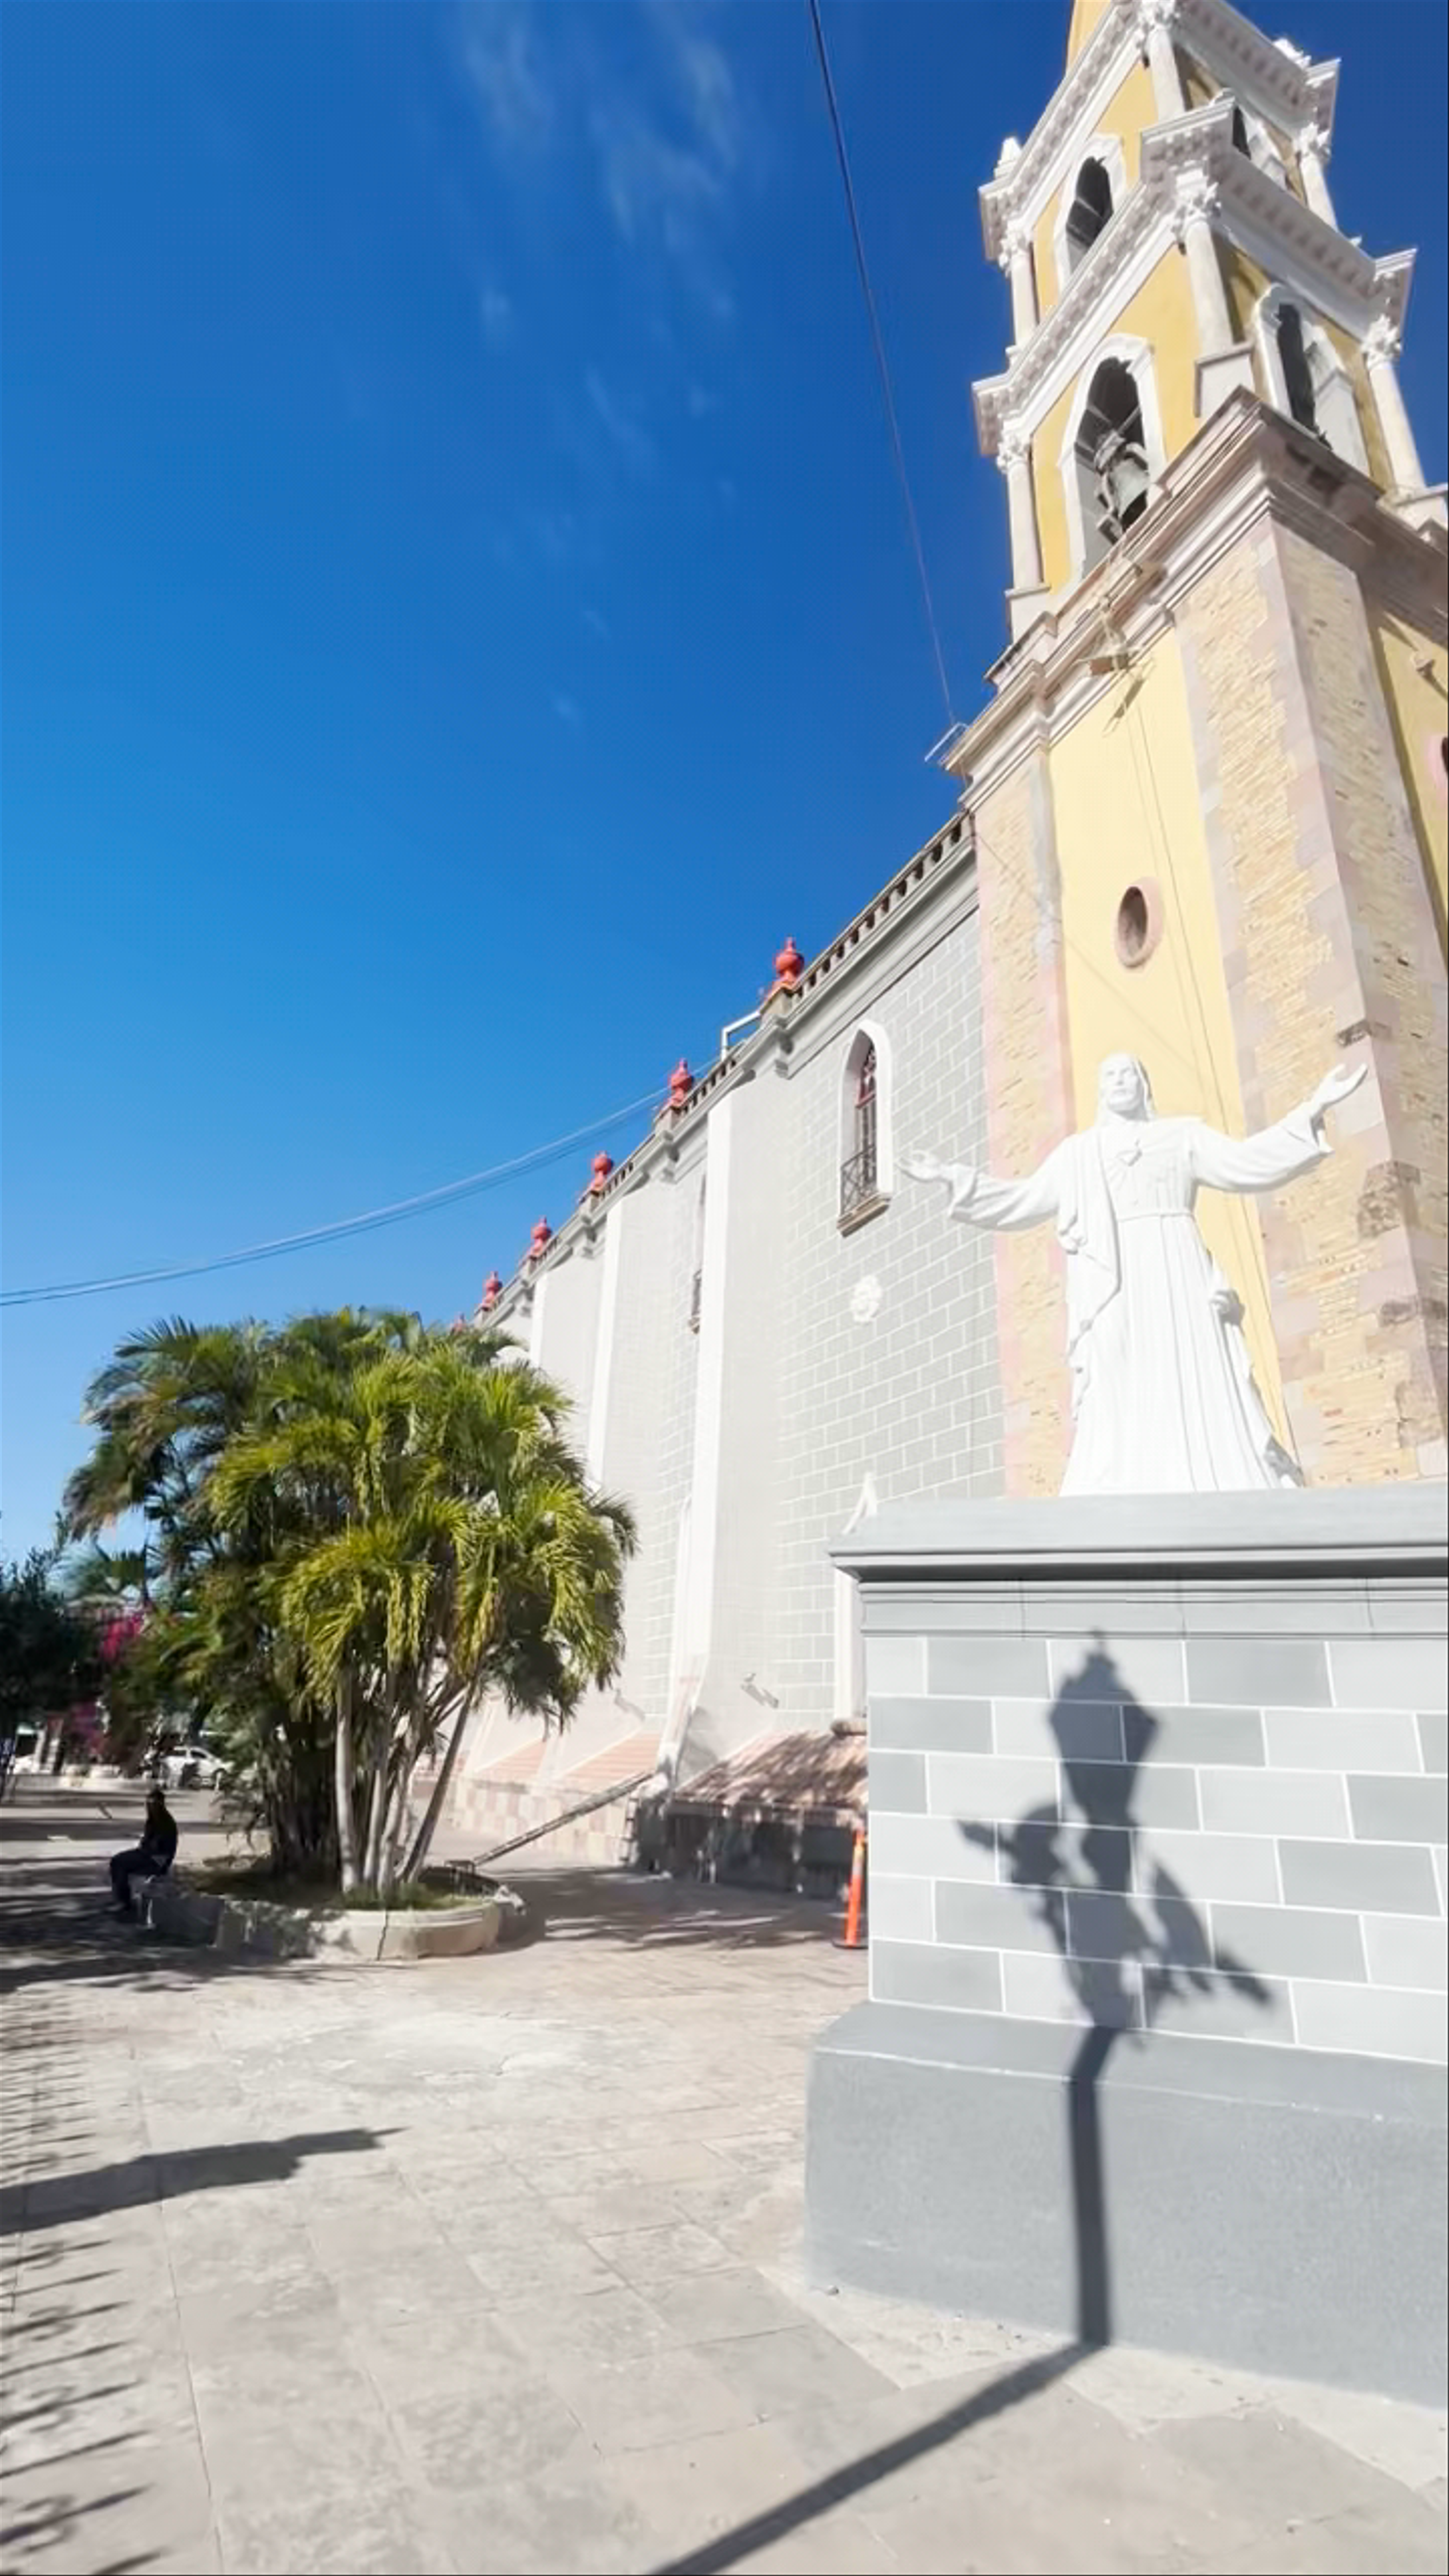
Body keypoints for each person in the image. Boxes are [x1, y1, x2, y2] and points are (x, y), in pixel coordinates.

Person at [904, 1052, 1366, 1495]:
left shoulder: (1184, 1135)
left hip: (1176, 1262)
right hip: (1111, 1278)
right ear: (1100, 1090)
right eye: (1109, 1075)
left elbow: (1244, 1163)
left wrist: (1314, 1106)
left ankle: (1212, 1472)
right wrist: (950, 1176)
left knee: (1190, 1358)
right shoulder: (1079, 1153)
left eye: (1128, 1072)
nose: (1120, 1081)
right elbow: (1023, 1199)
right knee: (1116, 1365)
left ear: (1143, 1083)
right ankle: (1121, 1473)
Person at [109, 1788, 178, 1916]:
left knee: (120, 1864)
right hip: (148, 1855)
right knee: (117, 1860)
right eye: (148, 1804)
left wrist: (144, 1849)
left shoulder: (165, 1823)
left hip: (157, 1861)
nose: (150, 1807)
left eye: (153, 1804)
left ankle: (125, 1903)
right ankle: (121, 1898)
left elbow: (158, 1849)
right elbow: (147, 1843)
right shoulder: (153, 1821)